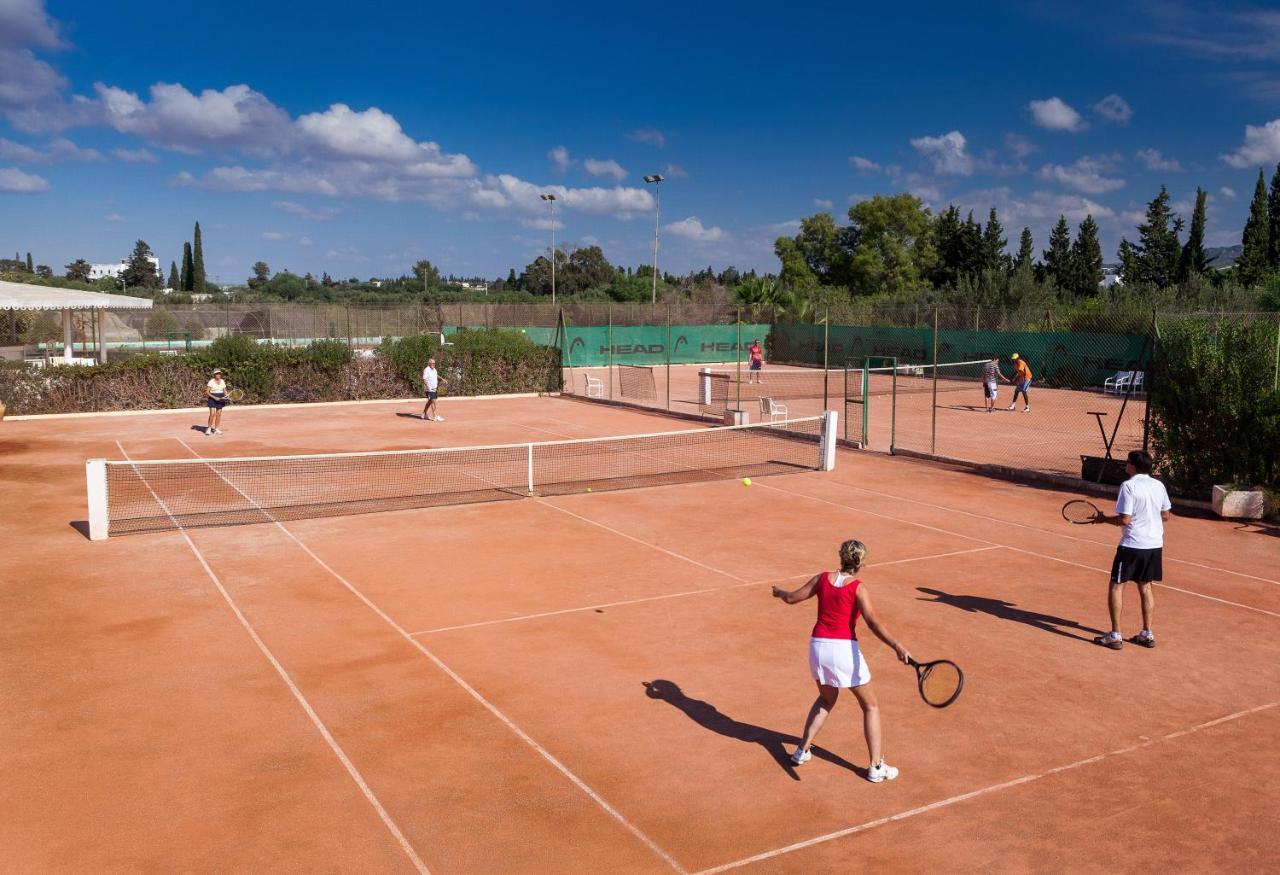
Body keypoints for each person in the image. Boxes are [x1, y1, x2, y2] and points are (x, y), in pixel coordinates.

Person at [771, 539, 912, 782]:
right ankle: (876, 767)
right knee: (870, 706)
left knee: (826, 699)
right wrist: (896, 645)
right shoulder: (858, 588)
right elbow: (873, 623)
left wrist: (780, 592)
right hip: (843, 650)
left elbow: (793, 598)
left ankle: (801, 751)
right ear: (861, 562)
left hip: (817, 648)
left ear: (840, 556)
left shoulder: (822, 578)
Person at [1094, 450, 1171, 650]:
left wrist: (1102, 519)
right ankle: (1147, 634)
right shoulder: (1159, 485)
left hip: (1132, 546)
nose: (1125, 464)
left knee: (1116, 586)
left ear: (1133, 467)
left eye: (1127, 462)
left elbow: (1125, 520)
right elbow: (1166, 515)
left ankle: (1115, 636)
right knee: (1146, 587)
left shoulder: (1128, 486)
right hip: (1154, 545)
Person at [421, 357, 445, 421]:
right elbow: (424, 379)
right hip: (429, 389)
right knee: (433, 401)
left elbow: (436, 375)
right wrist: (428, 386)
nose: (433, 364)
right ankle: (435, 416)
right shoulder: (426, 370)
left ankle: (424, 413)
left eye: (434, 363)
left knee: (430, 401)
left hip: (434, 388)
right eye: (432, 363)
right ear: (429, 363)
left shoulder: (434, 369)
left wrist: (442, 379)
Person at [205, 368, 227, 435]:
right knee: (212, 414)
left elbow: (224, 390)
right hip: (212, 398)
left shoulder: (222, 381)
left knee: (219, 414)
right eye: (217, 374)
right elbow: (207, 392)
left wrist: (226, 395)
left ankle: (216, 429)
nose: (218, 375)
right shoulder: (211, 381)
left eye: (219, 373)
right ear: (214, 374)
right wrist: (214, 397)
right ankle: (209, 428)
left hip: (221, 397)